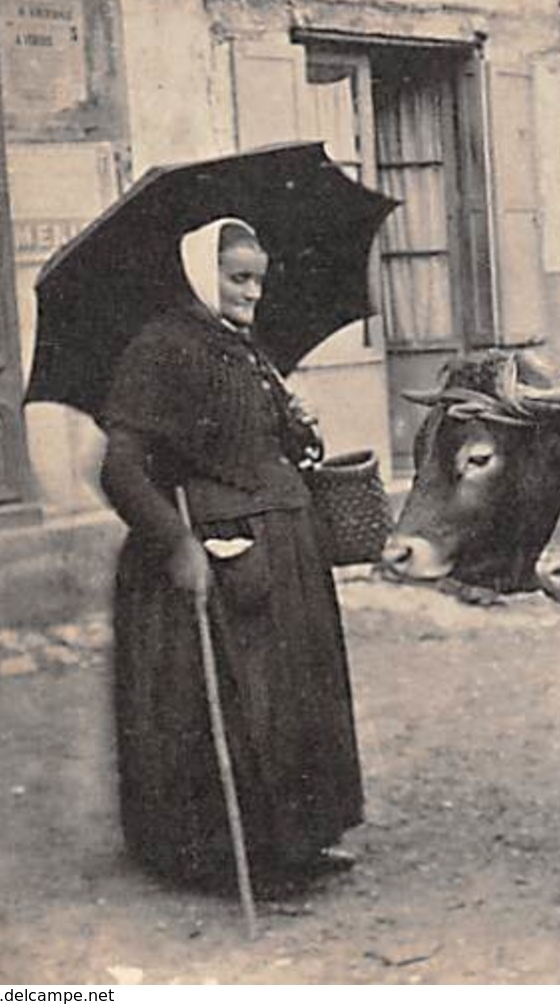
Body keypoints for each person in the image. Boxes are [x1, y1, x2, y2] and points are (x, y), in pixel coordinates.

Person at [98, 217, 364, 896]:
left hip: (288, 549)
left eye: (257, 281)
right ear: (197, 272)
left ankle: (302, 840)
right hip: (219, 553)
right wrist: (176, 542)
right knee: (248, 705)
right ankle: (228, 859)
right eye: (237, 277)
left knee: (297, 698)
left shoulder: (246, 348)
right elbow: (121, 471)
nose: (251, 293)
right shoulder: (160, 349)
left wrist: (298, 427)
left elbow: (262, 441)